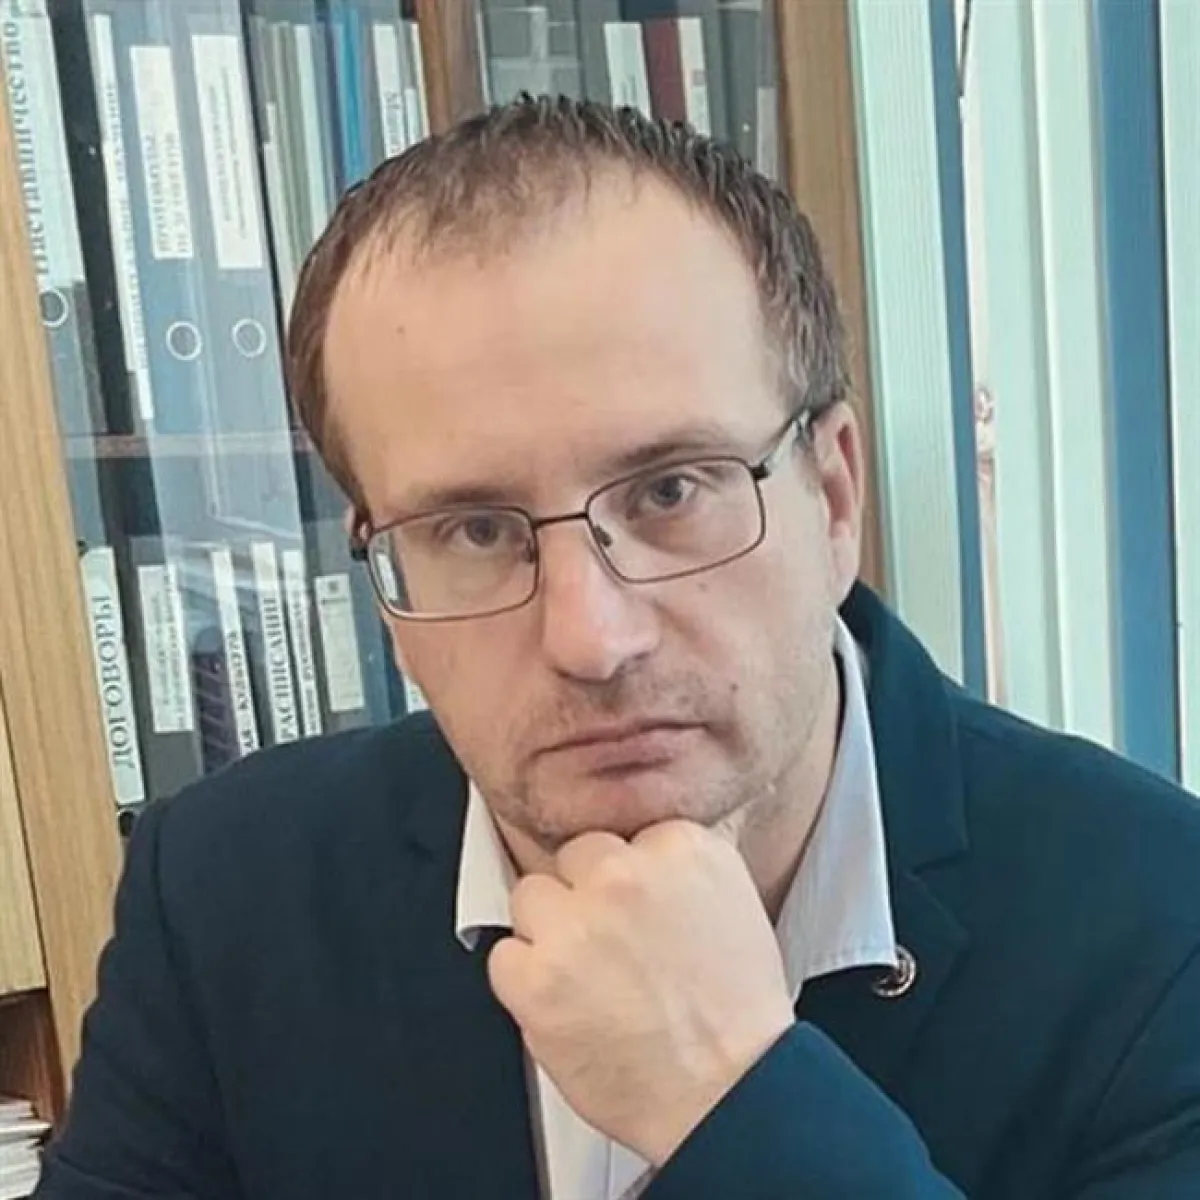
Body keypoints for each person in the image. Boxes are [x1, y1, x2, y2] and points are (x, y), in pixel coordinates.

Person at [37, 96, 1200, 1199]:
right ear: (385, 581)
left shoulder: (1160, 924)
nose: (591, 637)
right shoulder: (228, 893)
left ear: (835, 495)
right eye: (474, 530)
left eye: (672, 490)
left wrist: (736, 1099)